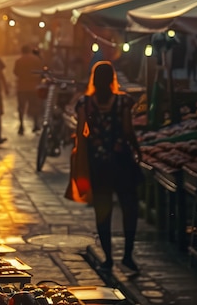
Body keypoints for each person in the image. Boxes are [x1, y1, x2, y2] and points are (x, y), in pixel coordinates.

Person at [74, 61, 142, 273]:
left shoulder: (85, 103)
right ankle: (128, 256)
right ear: (113, 78)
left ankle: (108, 259)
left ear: (93, 79)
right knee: (129, 208)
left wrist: (84, 155)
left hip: (99, 164)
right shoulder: (123, 102)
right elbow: (127, 130)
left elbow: (81, 134)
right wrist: (138, 150)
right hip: (122, 162)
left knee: (102, 212)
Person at [13, 44, 43, 135]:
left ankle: (21, 125)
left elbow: (16, 72)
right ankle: (36, 124)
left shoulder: (19, 60)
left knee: (21, 107)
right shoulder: (37, 59)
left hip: (22, 87)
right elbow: (41, 72)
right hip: (34, 87)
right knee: (34, 106)